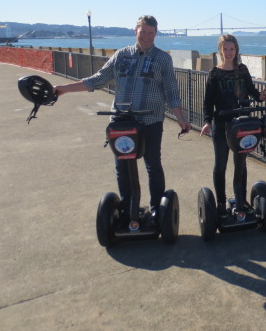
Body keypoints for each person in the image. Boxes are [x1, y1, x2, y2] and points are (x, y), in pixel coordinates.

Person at [54, 15, 191, 223]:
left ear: (156, 34)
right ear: (135, 31)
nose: (146, 36)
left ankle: (157, 211)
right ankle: (128, 209)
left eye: (150, 33)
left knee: (153, 164)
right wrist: (64, 89)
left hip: (150, 120)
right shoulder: (121, 55)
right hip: (121, 121)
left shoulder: (163, 59)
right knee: (123, 165)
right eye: (142, 31)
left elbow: (171, 91)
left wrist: (180, 117)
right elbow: (97, 79)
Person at [201, 34, 266, 217]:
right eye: (225, 49)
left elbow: (252, 92)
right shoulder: (214, 73)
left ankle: (241, 199)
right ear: (221, 50)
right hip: (222, 123)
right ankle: (221, 203)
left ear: (236, 50)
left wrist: (260, 97)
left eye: (232, 49)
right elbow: (208, 102)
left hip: (241, 124)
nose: (229, 52)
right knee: (220, 165)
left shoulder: (242, 70)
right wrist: (207, 122)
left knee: (241, 164)